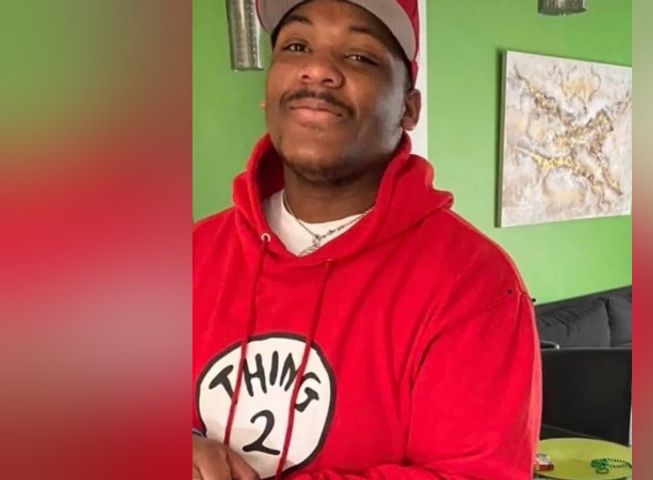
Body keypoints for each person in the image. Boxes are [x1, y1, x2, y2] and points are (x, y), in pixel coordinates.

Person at [192, 1, 541, 478]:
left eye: (359, 56)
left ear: (409, 109)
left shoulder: (474, 284)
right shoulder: (191, 254)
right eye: (297, 47)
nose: (317, 69)